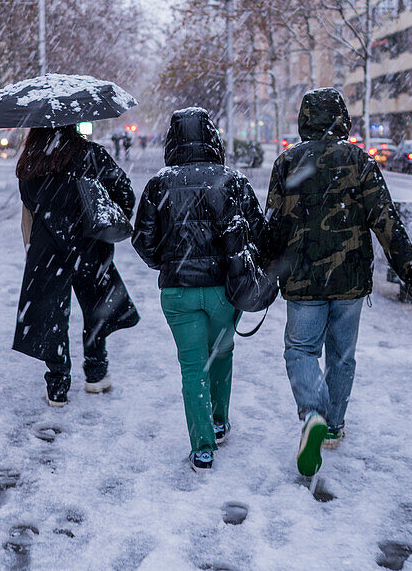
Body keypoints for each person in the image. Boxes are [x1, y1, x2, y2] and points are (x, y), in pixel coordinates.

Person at [265, 88, 412, 478]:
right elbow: (386, 220)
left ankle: (313, 414)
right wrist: (410, 269)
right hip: (350, 281)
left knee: (301, 350)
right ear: (342, 119)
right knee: (341, 355)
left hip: (302, 280)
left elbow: (273, 225)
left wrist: (261, 267)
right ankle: (334, 425)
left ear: (305, 119)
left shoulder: (288, 162)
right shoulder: (360, 162)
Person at [133, 107, 266, 472]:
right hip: (225, 289)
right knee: (221, 352)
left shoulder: (160, 183)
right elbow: (258, 232)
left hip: (178, 292)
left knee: (192, 367)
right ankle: (220, 420)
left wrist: (171, 262)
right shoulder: (232, 180)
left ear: (172, 140)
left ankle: (203, 448)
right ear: (213, 137)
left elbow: (143, 242)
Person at [14, 124, 139, 406]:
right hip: (89, 242)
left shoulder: (31, 160)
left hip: (47, 246)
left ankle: (57, 385)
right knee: (96, 307)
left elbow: (29, 203)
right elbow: (125, 195)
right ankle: (96, 373)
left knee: (51, 314)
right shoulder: (91, 154)